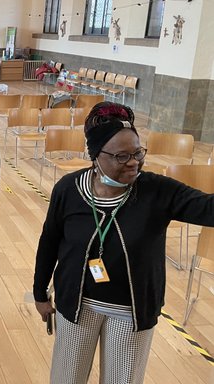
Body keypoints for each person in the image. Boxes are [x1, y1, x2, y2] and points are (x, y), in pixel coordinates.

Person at [33, 101, 214, 384]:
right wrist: (39, 293)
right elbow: (49, 242)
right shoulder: (68, 189)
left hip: (131, 311)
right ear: (95, 156)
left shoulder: (157, 190)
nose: (133, 162)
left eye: (138, 153)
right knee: (66, 378)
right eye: (121, 156)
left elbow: (208, 208)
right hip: (78, 304)